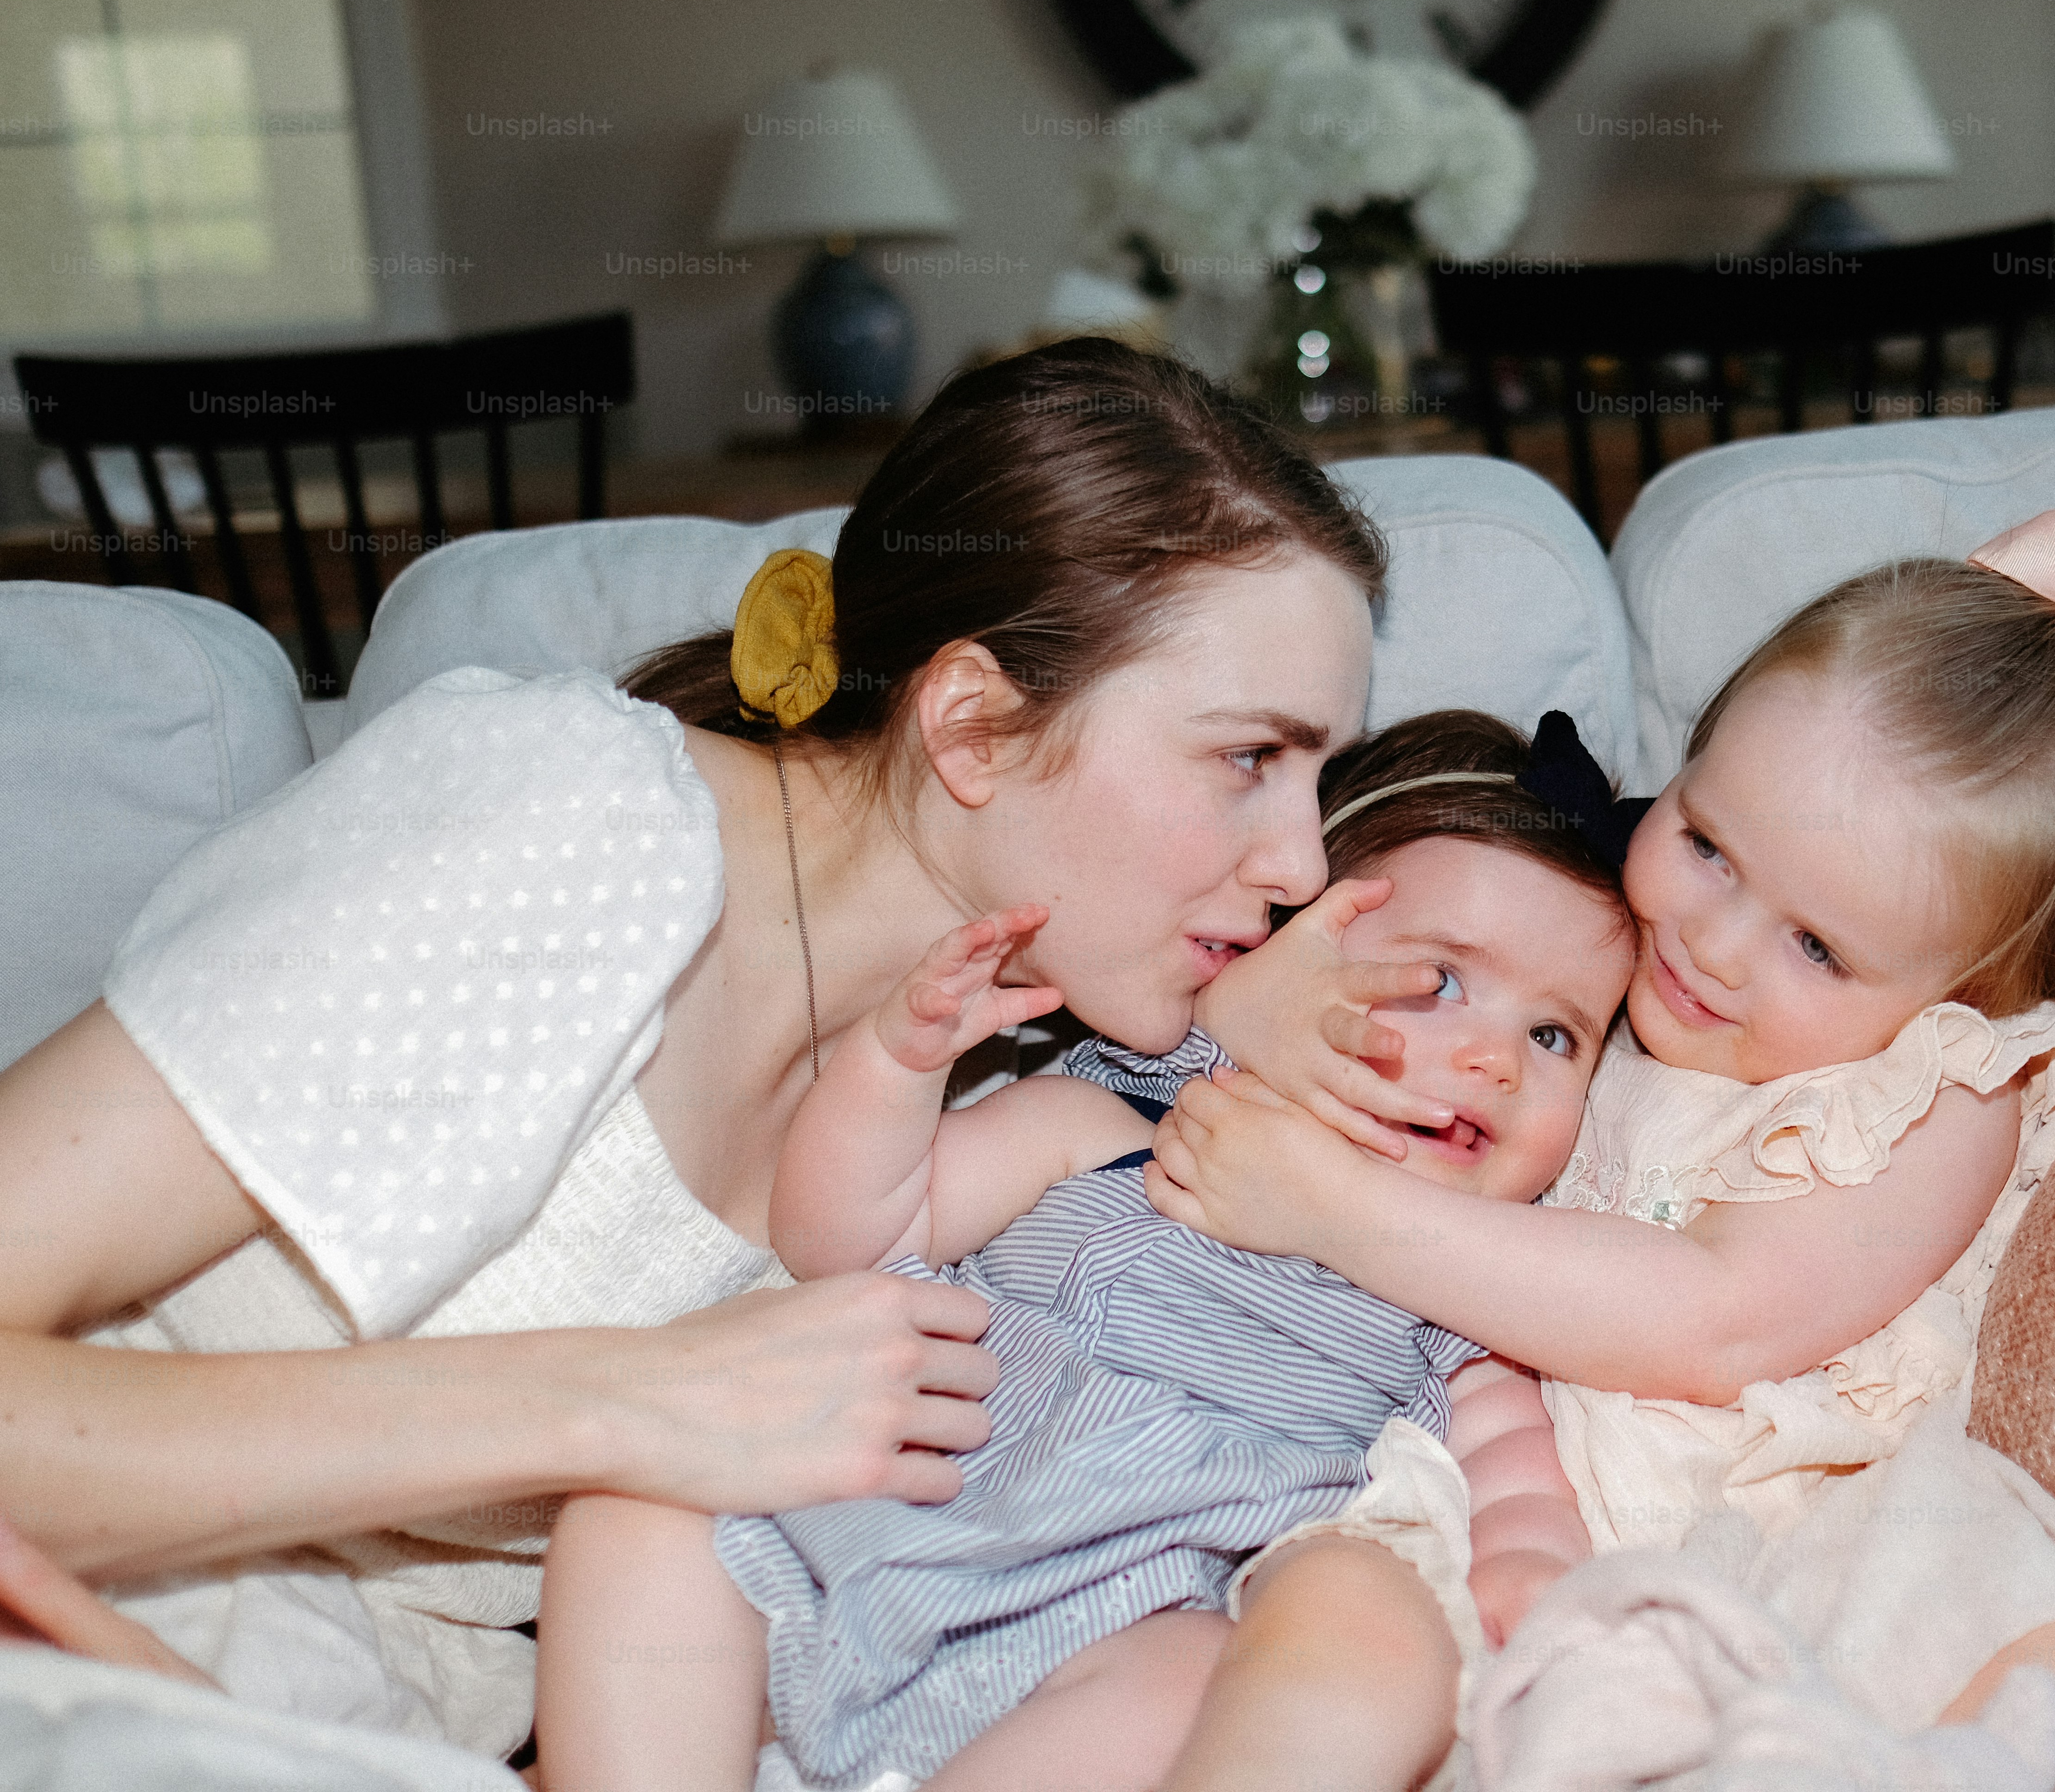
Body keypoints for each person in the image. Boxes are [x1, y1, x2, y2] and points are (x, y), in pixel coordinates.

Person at [0, 336, 1389, 1774]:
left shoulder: (982, 1084)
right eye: (1249, 759)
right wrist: (628, 1400)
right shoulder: (567, 828)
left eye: (1323, 778)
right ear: (973, 724)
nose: (1300, 863)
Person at [1146, 511, 2055, 1792]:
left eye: (1817, 947)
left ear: (1966, 992)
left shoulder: (1944, 1089)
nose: (1712, 942)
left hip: (1785, 1525)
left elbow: (1719, 1320)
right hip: (1504, 1511)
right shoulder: (1590, 974)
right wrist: (1245, 1012)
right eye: (1706, 844)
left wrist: (1338, 1209)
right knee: (1347, 1639)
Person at [532, 711, 1639, 1792]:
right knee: (645, 1502)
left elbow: (1512, 1467)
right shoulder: (1108, 1123)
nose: (1495, 1059)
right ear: (1279, 956)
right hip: (855, 1508)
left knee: (1196, 1683)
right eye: (1439, 980)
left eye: (1556, 1034)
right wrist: (896, 1067)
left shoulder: (1453, 1293)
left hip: (1117, 1621)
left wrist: (1527, 1563)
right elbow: (843, 1237)